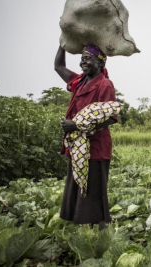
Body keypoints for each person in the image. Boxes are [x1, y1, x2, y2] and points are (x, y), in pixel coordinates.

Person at [54, 45, 117, 230]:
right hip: (78, 146)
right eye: (82, 58)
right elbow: (58, 66)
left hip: (96, 146)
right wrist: (62, 43)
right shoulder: (79, 82)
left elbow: (110, 117)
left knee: (95, 191)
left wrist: (77, 125)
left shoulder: (105, 84)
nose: (83, 62)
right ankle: (87, 228)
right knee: (79, 187)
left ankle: (102, 231)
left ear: (100, 62)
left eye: (88, 58)